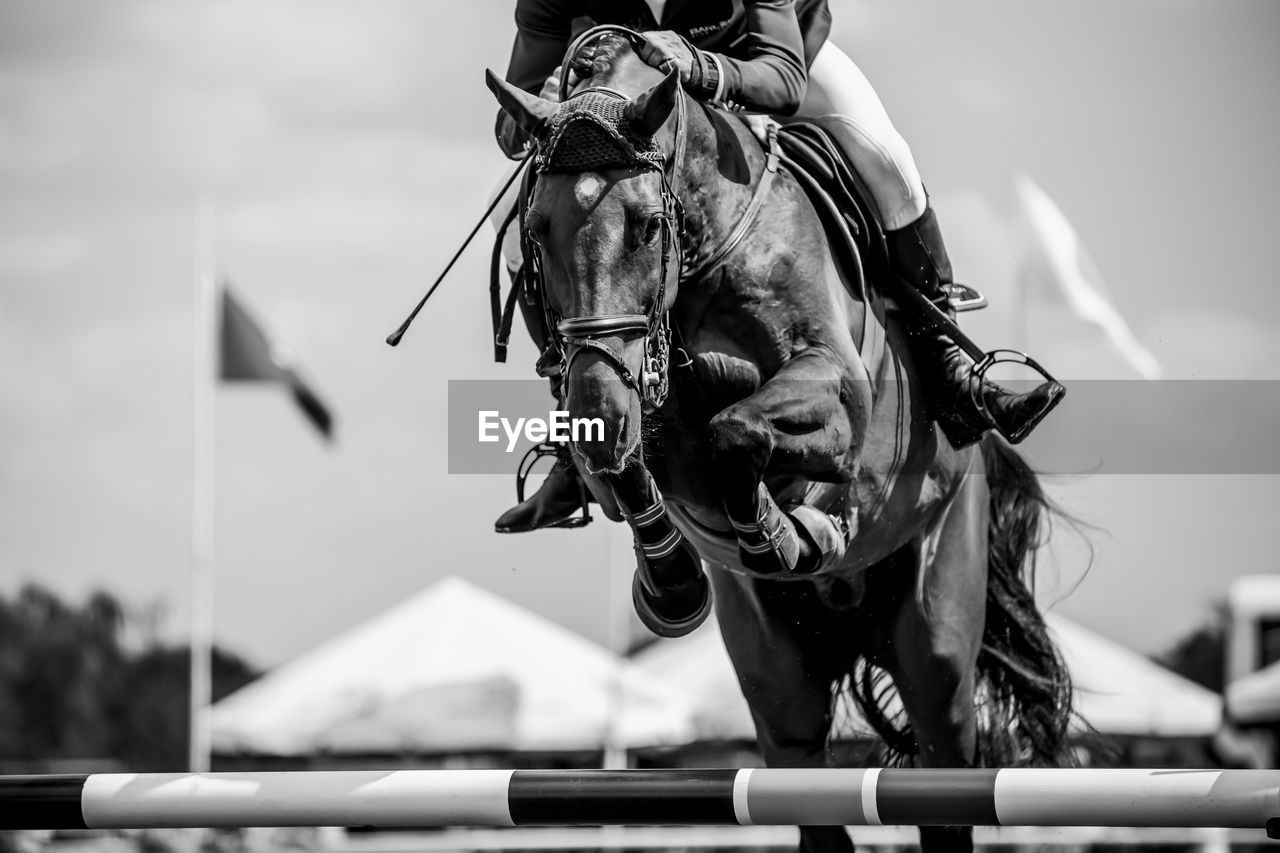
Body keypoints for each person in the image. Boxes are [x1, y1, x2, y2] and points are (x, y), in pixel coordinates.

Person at [490, 0, 1064, 533]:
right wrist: (545, 100)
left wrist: (701, 66)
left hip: (762, 67)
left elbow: (783, 77)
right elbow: (510, 125)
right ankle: (575, 425)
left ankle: (950, 365)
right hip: (623, 123)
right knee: (513, 221)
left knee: (885, 155)